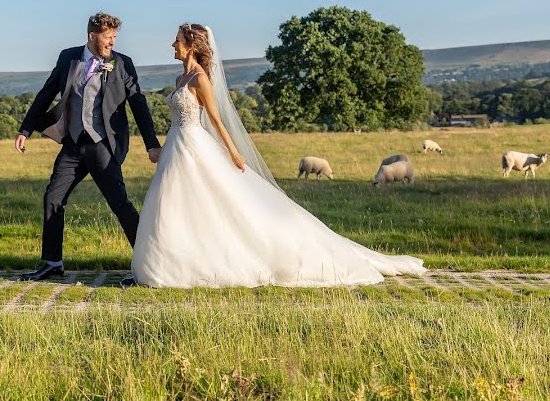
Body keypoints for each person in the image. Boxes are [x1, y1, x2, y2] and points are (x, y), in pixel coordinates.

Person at [130, 23, 426, 287]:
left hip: (194, 145)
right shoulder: (181, 79)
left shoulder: (199, 79)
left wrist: (233, 152)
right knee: (177, 204)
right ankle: (176, 261)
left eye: (177, 40)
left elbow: (217, 120)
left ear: (192, 45)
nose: (173, 45)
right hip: (177, 147)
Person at [15, 12, 162, 282]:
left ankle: (150, 265)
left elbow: (138, 104)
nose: (112, 42)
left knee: (120, 204)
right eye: (108, 37)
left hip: (102, 145)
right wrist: (25, 129)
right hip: (72, 145)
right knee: (53, 198)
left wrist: (152, 144)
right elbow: (47, 93)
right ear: (92, 36)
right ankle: (52, 262)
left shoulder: (122, 63)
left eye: (115, 37)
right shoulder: (68, 57)